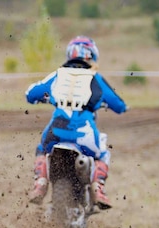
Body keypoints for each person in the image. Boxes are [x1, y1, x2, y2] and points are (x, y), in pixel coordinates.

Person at [25, 35, 128, 209]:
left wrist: (46, 98)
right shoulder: (96, 78)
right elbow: (118, 105)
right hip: (85, 134)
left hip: (55, 132)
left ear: (69, 55)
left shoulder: (57, 75)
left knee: (42, 149)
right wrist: (120, 107)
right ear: (92, 56)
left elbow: (31, 94)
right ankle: (98, 188)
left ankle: (40, 184)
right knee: (103, 154)